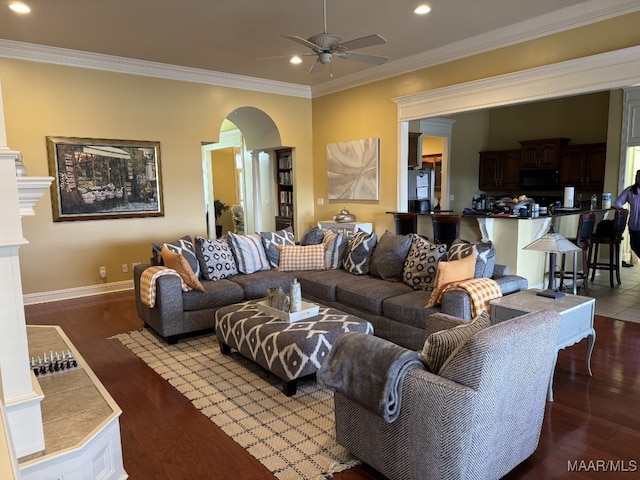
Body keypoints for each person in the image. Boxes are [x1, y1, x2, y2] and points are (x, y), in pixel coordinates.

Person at [613, 169, 640, 265]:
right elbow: (617, 203)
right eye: (639, 177)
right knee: (635, 246)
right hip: (634, 225)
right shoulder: (630, 191)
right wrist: (624, 210)